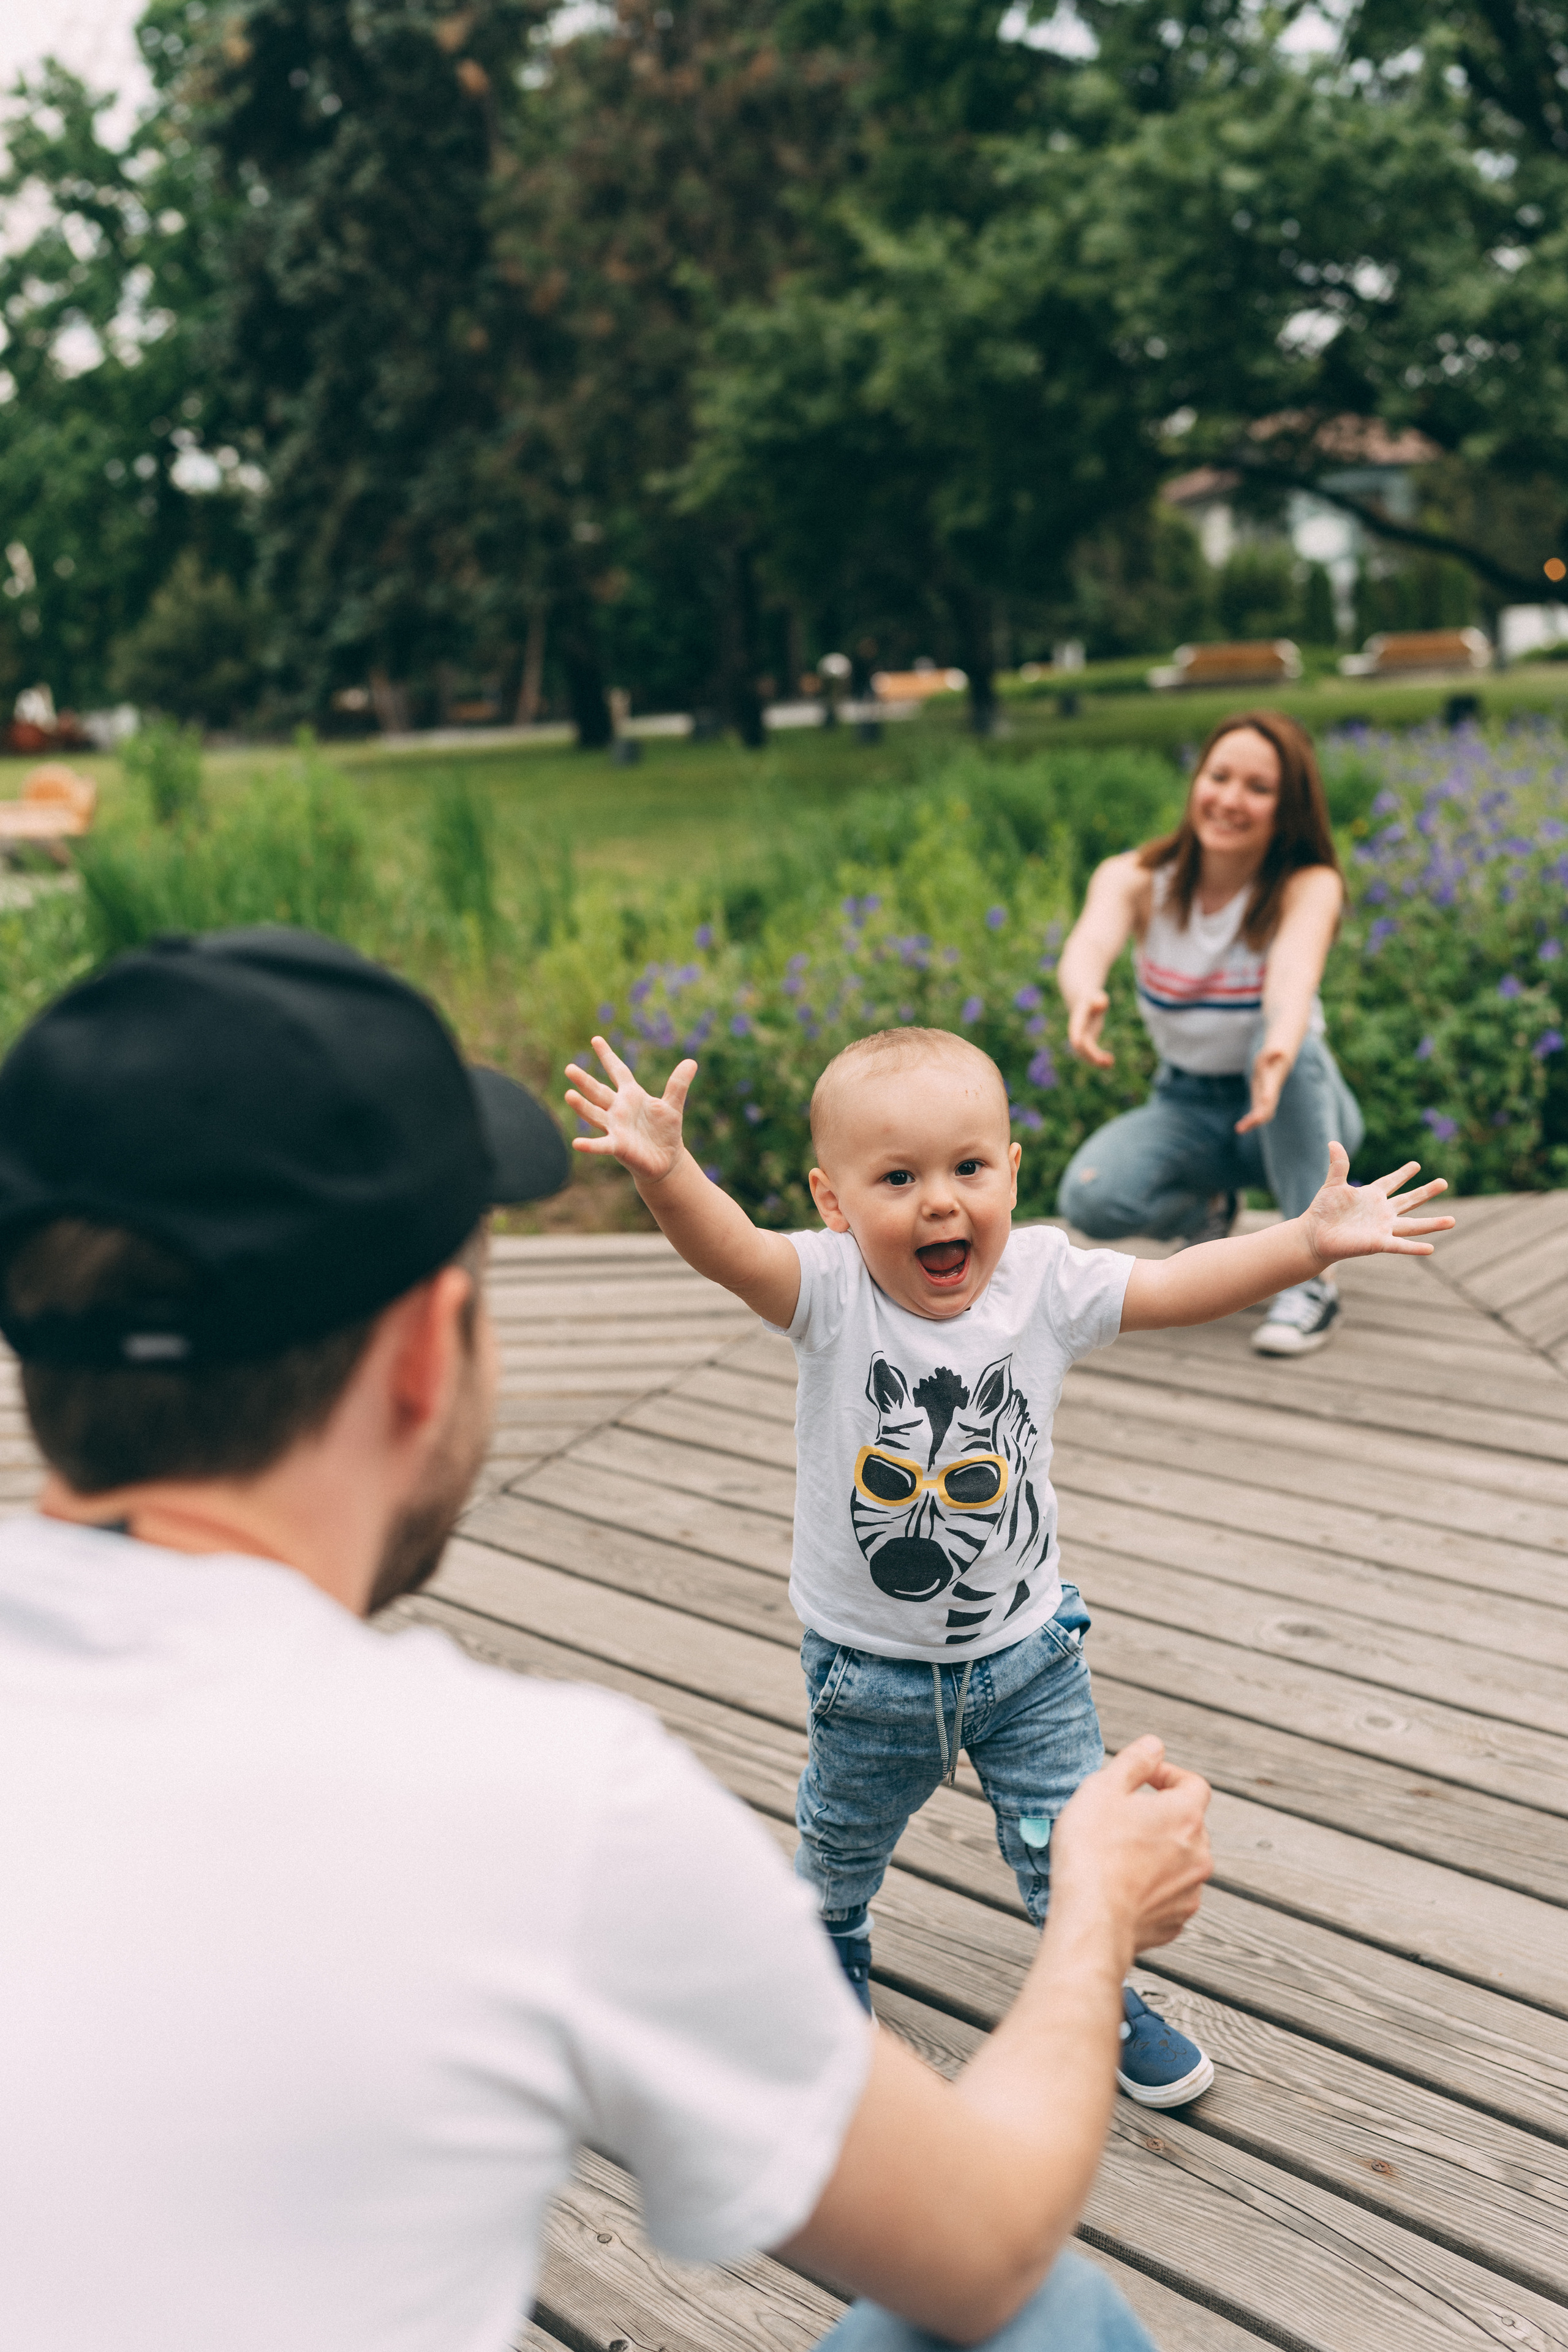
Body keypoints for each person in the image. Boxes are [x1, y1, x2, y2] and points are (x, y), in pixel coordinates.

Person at [0, 925, 1216, 2352]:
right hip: (879, 1692)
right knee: (1046, 2309)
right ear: (423, 1351)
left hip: (1005, 1645)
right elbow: (989, 2236)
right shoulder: (548, 1807)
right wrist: (1091, 1918)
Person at [565, 1021, 1450, 2109]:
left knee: (1070, 1844)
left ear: (1013, 1174)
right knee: (841, 1839)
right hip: (869, 1668)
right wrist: (670, 1177)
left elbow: (1182, 1284)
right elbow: (733, 1247)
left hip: (1029, 1657)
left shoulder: (1042, 1281)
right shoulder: (832, 1292)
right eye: (897, 1178)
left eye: (969, 1168)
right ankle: (831, 1937)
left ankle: (1098, 1984)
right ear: (834, 1201)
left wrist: (1305, 1245)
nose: (941, 1202)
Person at [1056, 710, 1362, 1357]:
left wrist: (1280, 1040)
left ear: (1289, 807)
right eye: (1218, 776)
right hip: (1189, 1105)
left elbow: (1292, 979)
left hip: (1293, 1104)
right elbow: (1088, 943)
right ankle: (1208, 1213)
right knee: (1091, 1198)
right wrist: (1083, 993)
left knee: (1294, 1044)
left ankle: (1313, 1275)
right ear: (1195, 781)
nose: (1229, 799)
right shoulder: (1136, 877)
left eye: (1257, 787)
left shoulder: (1308, 884)